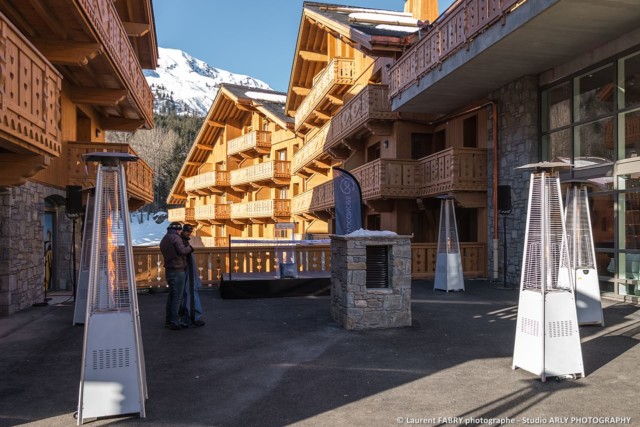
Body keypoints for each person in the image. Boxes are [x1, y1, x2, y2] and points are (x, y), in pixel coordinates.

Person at [159, 222, 193, 330]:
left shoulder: (165, 238)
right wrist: (191, 248)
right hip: (178, 271)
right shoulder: (176, 238)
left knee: (171, 296)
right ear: (178, 230)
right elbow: (182, 251)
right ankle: (174, 322)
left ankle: (168, 321)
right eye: (180, 230)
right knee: (177, 297)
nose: (180, 232)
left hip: (169, 270)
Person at [179, 224, 205, 327]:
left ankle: (187, 316)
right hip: (187, 271)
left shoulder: (182, 241)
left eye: (190, 232)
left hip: (185, 271)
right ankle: (193, 317)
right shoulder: (183, 243)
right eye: (188, 231)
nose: (189, 233)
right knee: (190, 293)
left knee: (186, 294)